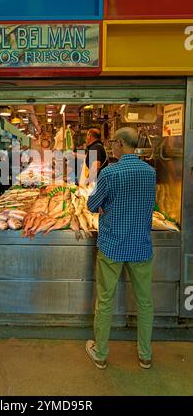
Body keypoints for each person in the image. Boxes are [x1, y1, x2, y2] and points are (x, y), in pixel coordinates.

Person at [86, 127, 156, 370]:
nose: (111, 145)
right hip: (141, 246)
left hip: (112, 246)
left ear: (121, 144)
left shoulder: (110, 173)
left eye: (113, 141)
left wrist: (105, 205)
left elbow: (92, 204)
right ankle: (145, 355)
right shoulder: (150, 172)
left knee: (105, 300)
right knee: (145, 301)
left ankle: (101, 353)